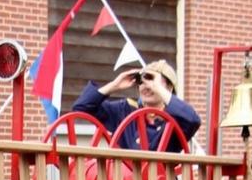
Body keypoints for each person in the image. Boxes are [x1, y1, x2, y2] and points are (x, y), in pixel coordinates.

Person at [72, 60, 201, 152]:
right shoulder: (126, 111)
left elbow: (193, 120)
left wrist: (158, 88)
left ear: (169, 87)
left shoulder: (176, 119)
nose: (146, 86)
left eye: (151, 79)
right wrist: (114, 85)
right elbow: (82, 108)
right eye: (142, 81)